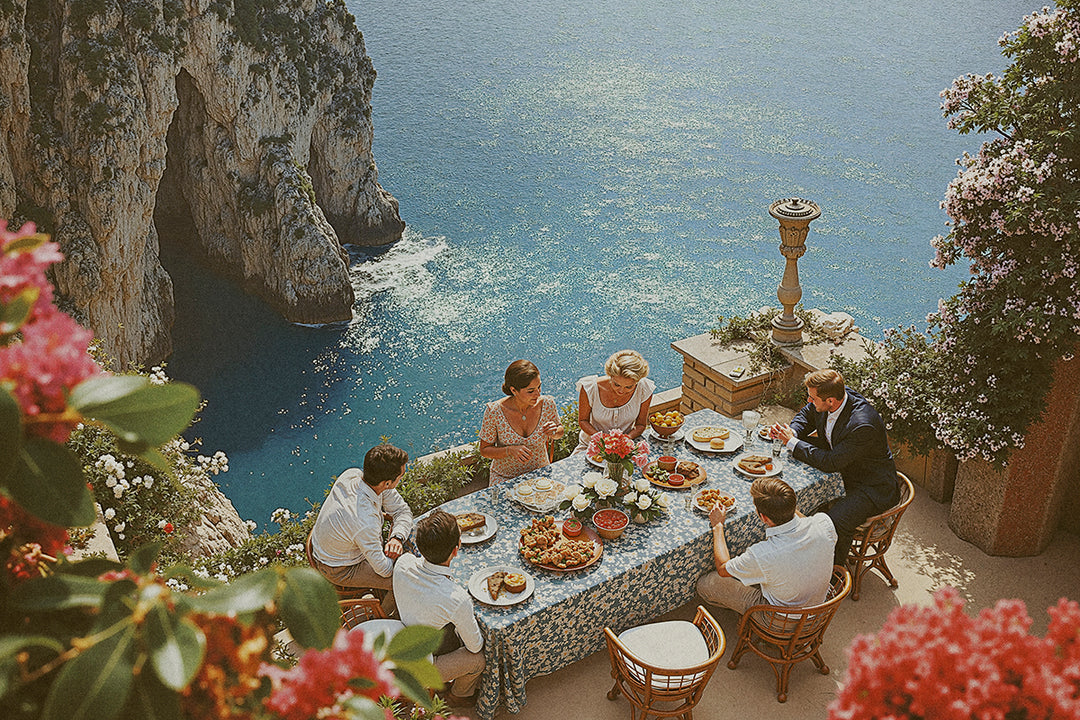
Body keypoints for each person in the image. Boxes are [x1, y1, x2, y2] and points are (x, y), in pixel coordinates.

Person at [770, 369, 900, 566]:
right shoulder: (835, 395)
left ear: (830, 401)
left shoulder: (862, 425)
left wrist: (792, 443)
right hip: (845, 466)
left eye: (812, 398)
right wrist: (793, 432)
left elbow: (831, 463)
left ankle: (833, 574)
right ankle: (796, 548)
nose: (808, 401)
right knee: (798, 491)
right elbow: (807, 413)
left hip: (871, 486)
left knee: (834, 523)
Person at [697, 477, 836, 613]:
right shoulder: (823, 522)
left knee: (706, 583)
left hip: (781, 620)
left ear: (764, 518)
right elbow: (802, 522)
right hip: (820, 608)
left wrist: (718, 525)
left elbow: (722, 568)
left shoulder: (763, 554)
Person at [393, 510, 485, 707]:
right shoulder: (456, 598)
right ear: (456, 549)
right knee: (478, 659)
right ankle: (459, 695)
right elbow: (475, 646)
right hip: (420, 667)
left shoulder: (403, 562)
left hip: (403, 633)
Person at [308, 444, 413, 614]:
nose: (402, 478)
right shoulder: (364, 520)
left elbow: (402, 511)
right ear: (387, 482)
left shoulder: (354, 475)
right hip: (339, 568)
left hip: (332, 546)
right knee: (404, 580)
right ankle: (382, 619)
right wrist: (405, 562)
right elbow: (385, 570)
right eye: (401, 476)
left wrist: (397, 537)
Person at [478, 359, 565, 484]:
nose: (538, 394)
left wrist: (555, 432)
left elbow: (560, 431)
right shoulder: (494, 411)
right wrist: (509, 450)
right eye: (530, 391)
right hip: (505, 478)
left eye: (539, 387)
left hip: (540, 474)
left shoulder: (547, 404)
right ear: (514, 390)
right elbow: (485, 450)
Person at [573, 349, 655, 453]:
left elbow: (641, 425)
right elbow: (583, 421)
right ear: (610, 376)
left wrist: (627, 438)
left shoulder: (644, 389)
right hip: (590, 445)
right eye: (616, 384)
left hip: (624, 447)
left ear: (637, 382)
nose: (621, 391)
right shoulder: (590, 388)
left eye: (629, 387)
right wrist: (602, 439)